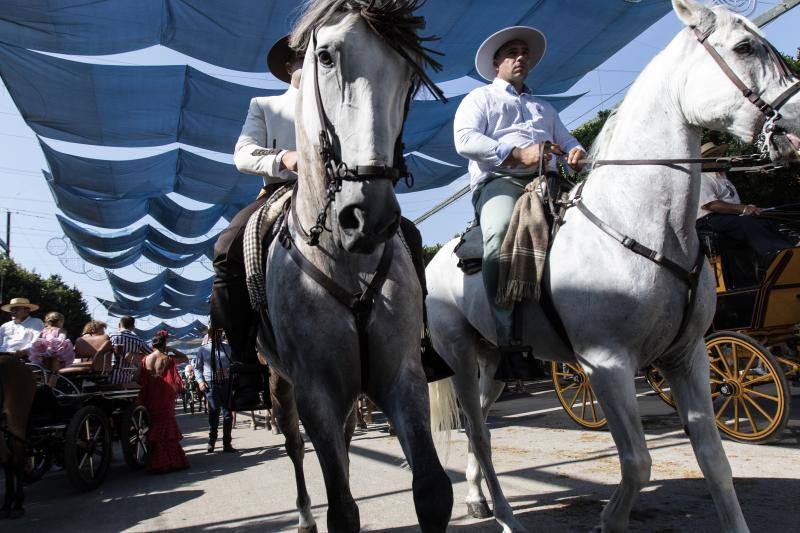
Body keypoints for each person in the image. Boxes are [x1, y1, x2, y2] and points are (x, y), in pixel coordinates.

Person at [453, 26, 586, 362]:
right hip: (502, 182)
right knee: (498, 234)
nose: (520, 57)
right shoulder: (480, 99)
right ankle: (508, 337)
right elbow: (464, 140)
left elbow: (568, 140)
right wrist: (517, 154)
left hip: (552, 181)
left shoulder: (545, 108)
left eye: (524, 53)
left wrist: (576, 152)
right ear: (496, 62)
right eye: (512, 52)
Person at [210, 34, 303, 371]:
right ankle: (243, 361)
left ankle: (421, 345)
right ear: (288, 65)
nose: (309, 62)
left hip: (342, 190)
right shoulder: (264, 105)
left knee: (405, 234)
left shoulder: (347, 101)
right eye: (301, 57)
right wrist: (284, 157)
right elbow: (244, 152)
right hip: (281, 189)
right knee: (227, 248)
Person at [695, 142, 793, 265]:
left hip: (728, 217)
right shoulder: (701, 178)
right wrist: (743, 209)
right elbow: (711, 205)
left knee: (767, 219)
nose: (719, 157)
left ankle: (789, 251)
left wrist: (748, 208)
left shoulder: (722, 178)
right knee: (748, 223)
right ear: (702, 162)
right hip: (709, 220)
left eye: (719, 154)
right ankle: (779, 259)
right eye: (713, 155)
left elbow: (732, 202)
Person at [141, 331, 189, 473]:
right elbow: (184, 358)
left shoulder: (145, 359)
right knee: (167, 427)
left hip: (151, 395)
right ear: (165, 344)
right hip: (165, 394)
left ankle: (158, 461)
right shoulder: (168, 358)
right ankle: (172, 461)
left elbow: (138, 376)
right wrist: (172, 350)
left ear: (152, 345)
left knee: (155, 424)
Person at [193, 325, 236, 453]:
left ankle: (227, 443)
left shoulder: (228, 348)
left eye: (220, 333)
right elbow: (197, 367)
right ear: (210, 335)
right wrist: (200, 382)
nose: (218, 335)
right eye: (215, 333)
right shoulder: (203, 349)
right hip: (210, 384)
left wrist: (229, 369)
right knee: (214, 413)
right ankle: (212, 441)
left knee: (228, 414)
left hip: (226, 382)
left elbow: (234, 363)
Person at [28, 311, 75, 386]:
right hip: (56, 351)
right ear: (60, 321)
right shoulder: (61, 330)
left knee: (45, 372)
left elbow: (38, 339)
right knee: (55, 372)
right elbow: (61, 339)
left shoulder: (43, 330)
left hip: (44, 351)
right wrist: (55, 346)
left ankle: (43, 387)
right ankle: (50, 389)